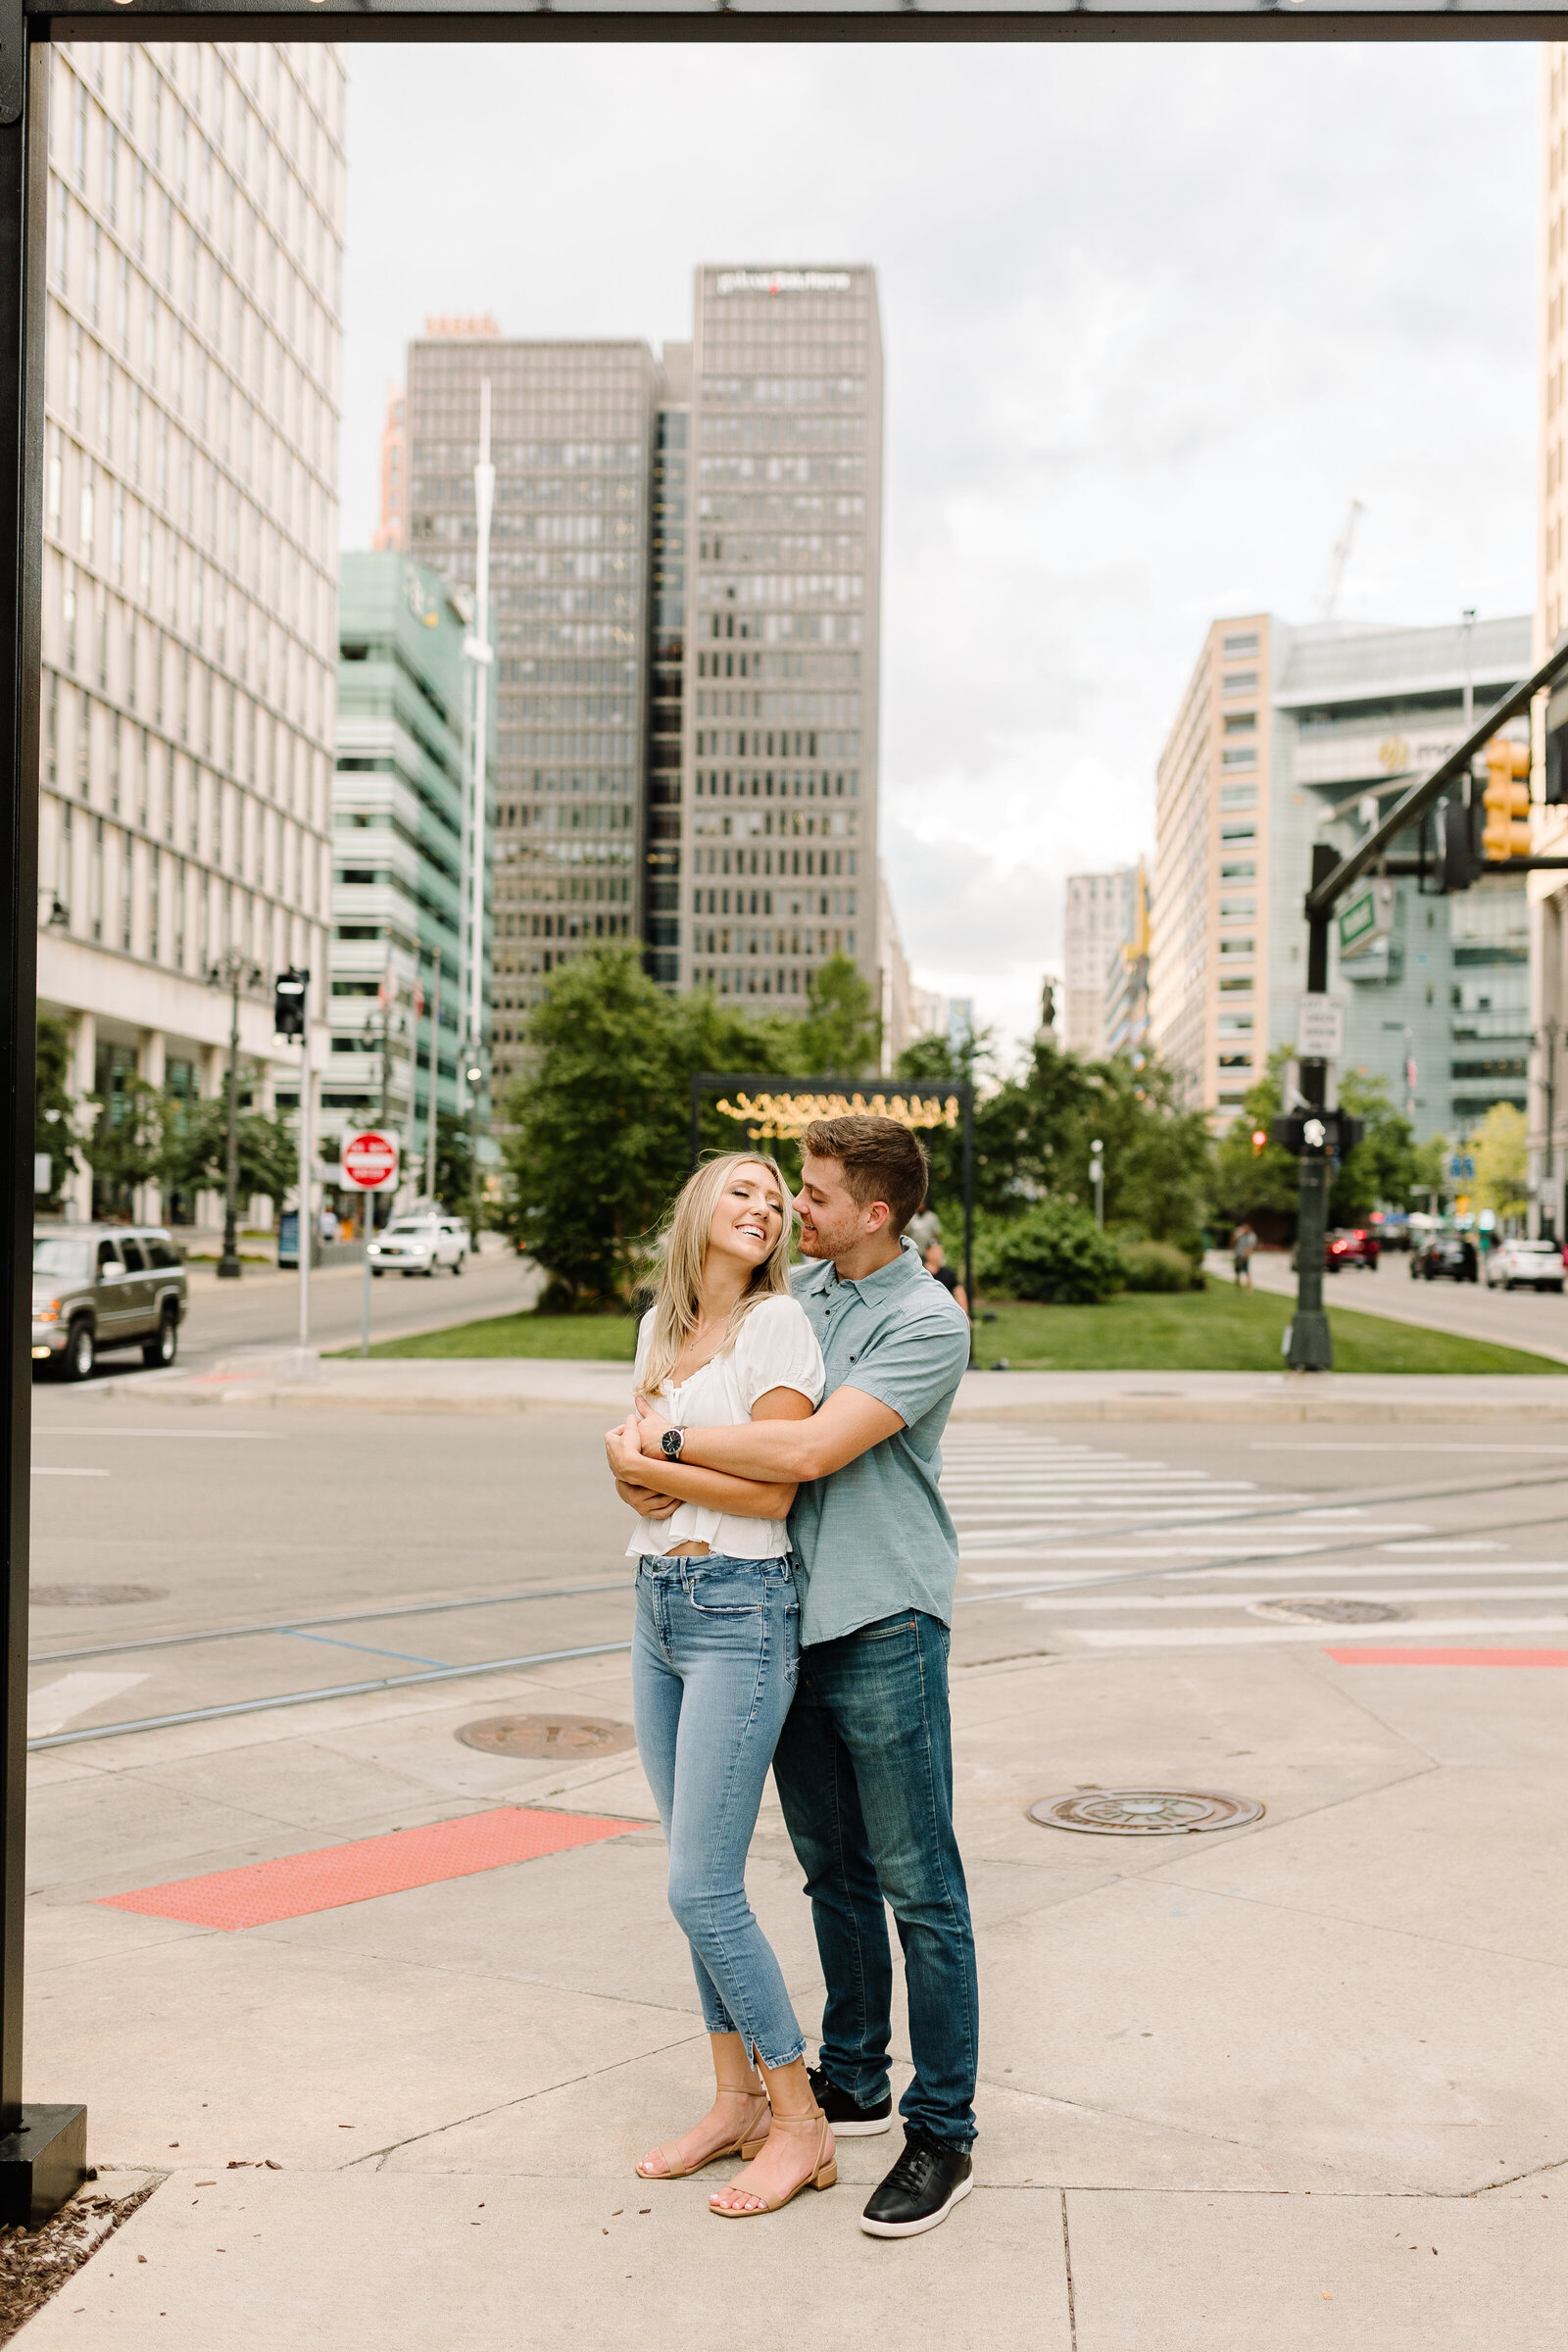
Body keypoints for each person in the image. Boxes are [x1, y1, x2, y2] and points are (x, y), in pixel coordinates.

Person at [612, 1115, 977, 2240]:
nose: (794, 1211)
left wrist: (655, 1450)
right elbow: (721, 1417)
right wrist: (636, 1467)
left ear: (877, 1213)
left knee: (920, 1884)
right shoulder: (802, 1298)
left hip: (880, 1614)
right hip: (784, 1616)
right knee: (830, 1871)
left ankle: (941, 2132)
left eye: (813, 1195)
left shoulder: (925, 1320)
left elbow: (803, 1455)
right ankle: (852, 2077)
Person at [604, 1152, 838, 2221]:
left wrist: (658, 1457)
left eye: (778, 1202)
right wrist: (648, 1466)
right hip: (657, 1605)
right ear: (699, 1207)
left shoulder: (776, 1327)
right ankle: (732, 2100)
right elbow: (636, 1480)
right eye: (744, 1189)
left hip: (741, 1609)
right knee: (691, 1877)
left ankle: (799, 2122)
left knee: (702, 1888)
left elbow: (781, 1478)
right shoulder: (660, 1331)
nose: (765, 1208)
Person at [923, 1238, 968, 1315]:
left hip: (944, 1312)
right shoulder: (920, 1273)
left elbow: (959, 1291)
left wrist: (965, 1314)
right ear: (927, 1253)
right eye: (934, 1251)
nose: (937, 1253)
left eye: (939, 1250)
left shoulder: (948, 1273)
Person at [1231, 1220, 1257, 1291]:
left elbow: (1250, 1247)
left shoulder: (1252, 1236)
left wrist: (1245, 1255)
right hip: (1238, 1255)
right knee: (1237, 1272)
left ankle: (1250, 1288)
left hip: (1245, 1257)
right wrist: (1237, 1234)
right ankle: (1237, 1287)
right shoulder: (1239, 1234)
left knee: (1247, 1272)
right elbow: (1233, 1241)